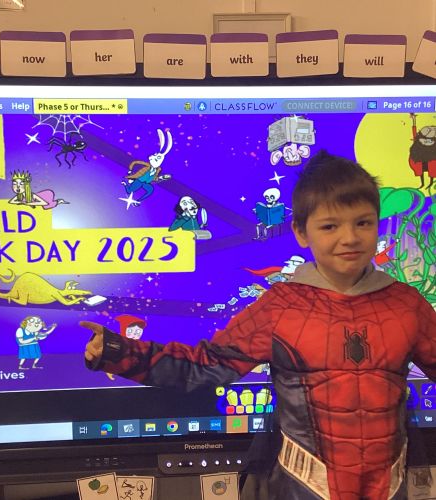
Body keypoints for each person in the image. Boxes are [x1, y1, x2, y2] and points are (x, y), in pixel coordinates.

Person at [82, 151, 436, 500]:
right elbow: (205, 366)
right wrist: (117, 351)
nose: (350, 238)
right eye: (330, 226)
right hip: (302, 486)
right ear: (301, 232)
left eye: (363, 223)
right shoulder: (279, 306)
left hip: (389, 487)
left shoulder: (406, 304)